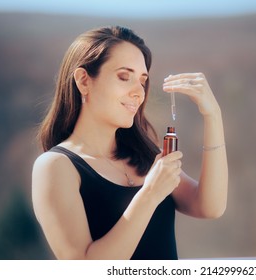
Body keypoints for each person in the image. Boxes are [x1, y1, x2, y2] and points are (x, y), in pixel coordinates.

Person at [32, 25, 228, 260]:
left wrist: (213, 116)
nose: (139, 92)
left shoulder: (145, 155)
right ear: (84, 81)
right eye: (124, 77)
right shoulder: (55, 167)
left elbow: (210, 206)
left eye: (142, 80)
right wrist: (150, 195)